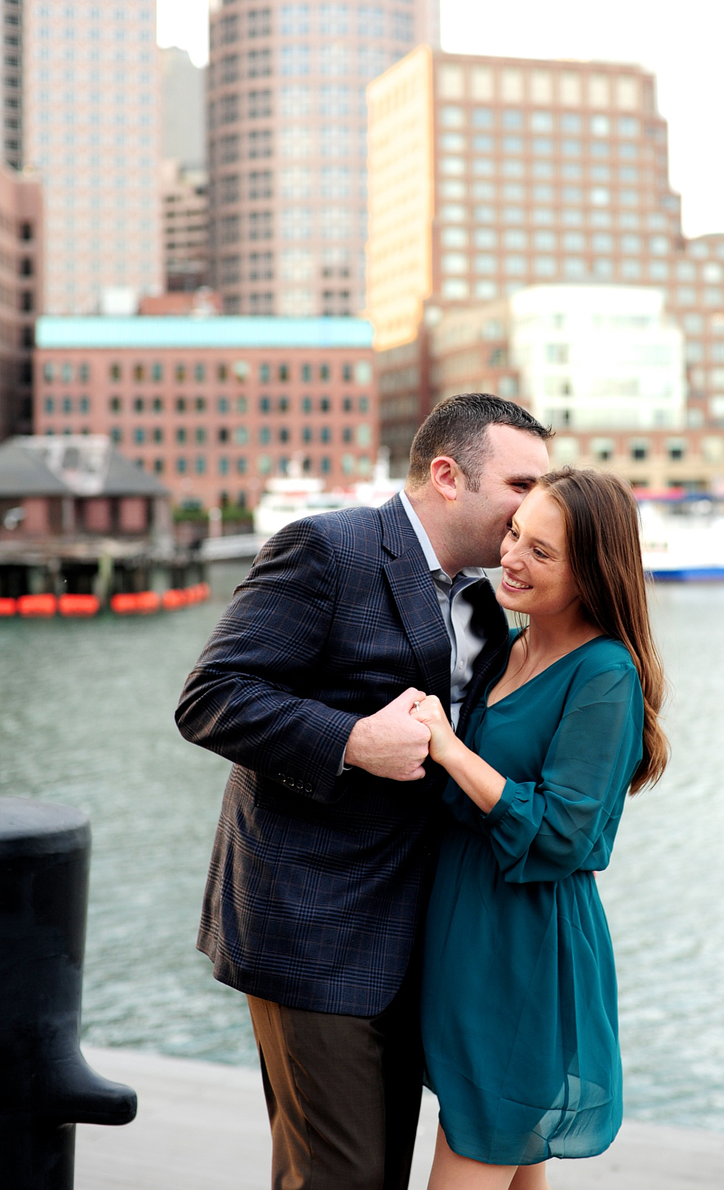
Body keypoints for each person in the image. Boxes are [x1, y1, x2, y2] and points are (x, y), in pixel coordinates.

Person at [175, 394, 551, 1190]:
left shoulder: (485, 597)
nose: (537, 504)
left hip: (424, 934)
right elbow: (211, 695)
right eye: (522, 484)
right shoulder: (326, 548)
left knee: (374, 1171)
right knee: (338, 1177)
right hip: (311, 927)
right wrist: (352, 740)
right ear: (448, 475)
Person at [414, 467, 668, 1190]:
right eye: (517, 534)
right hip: (466, 942)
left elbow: (564, 833)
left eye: (543, 552)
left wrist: (451, 748)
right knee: (515, 1168)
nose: (514, 558)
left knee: (482, 1141)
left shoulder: (605, 673)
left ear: (593, 572)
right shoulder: (507, 645)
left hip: (522, 954)